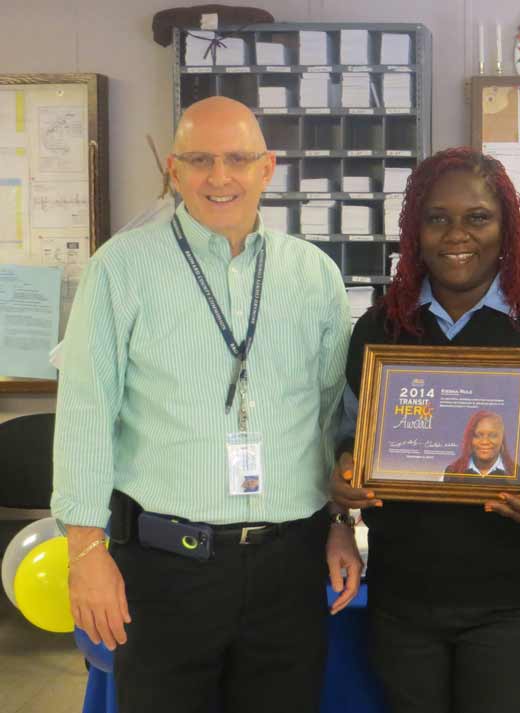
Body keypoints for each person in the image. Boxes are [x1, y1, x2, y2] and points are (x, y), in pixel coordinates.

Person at [51, 96, 362, 713]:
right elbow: (86, 411)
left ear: (267, 168)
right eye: (199, 160)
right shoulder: (121, 269)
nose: (219, 177)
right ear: (173, 169)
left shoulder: (315, 276)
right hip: (167, 568)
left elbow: (331, 417)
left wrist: (338, 523)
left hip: (288, 568)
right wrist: (86, 550)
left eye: (238, 159)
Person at [332, 147, 520, 713]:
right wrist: (345, 474)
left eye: (477, 217)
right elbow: (349, 435)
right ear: (415, 232)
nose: (456, 234)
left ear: (505, 227)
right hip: (406, 601)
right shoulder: (379, 328)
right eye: (437, 218)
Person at [445, 410, 513, 476]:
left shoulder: (519, 474)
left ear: (502, 439)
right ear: (470, 439)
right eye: (477, 435)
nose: (485, 442)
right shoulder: (452, 472)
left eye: (493, 435)